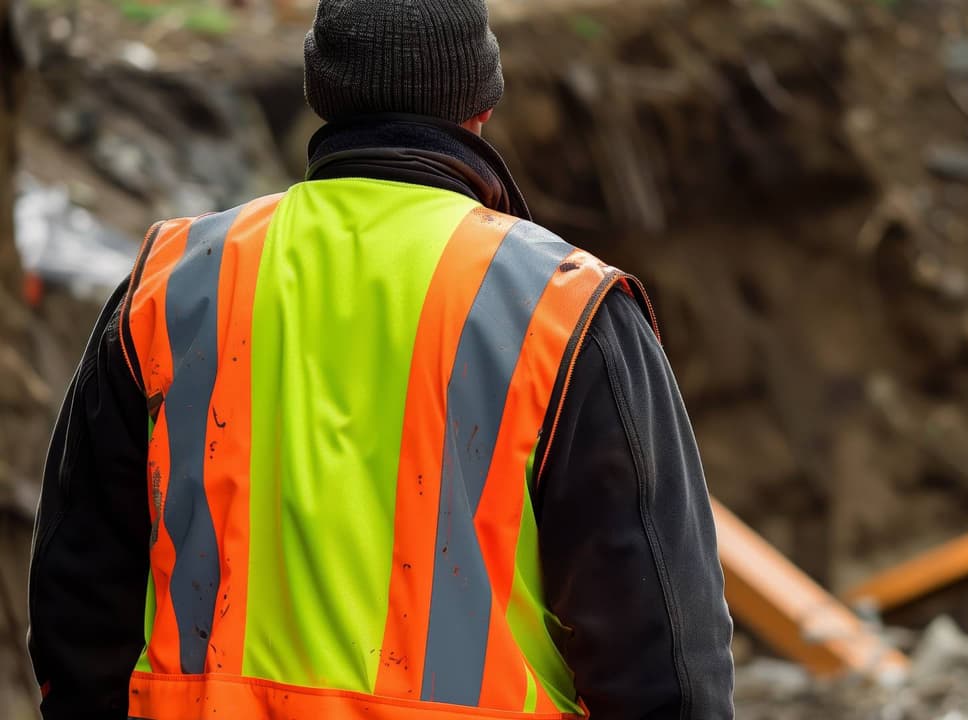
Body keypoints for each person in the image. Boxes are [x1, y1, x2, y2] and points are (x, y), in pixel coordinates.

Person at [26, 1, 735, 717]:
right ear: (482, 104)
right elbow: (665, 659)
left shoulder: (174, 281)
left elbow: (78, 599)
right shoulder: (563, 308)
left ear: (320, 92)